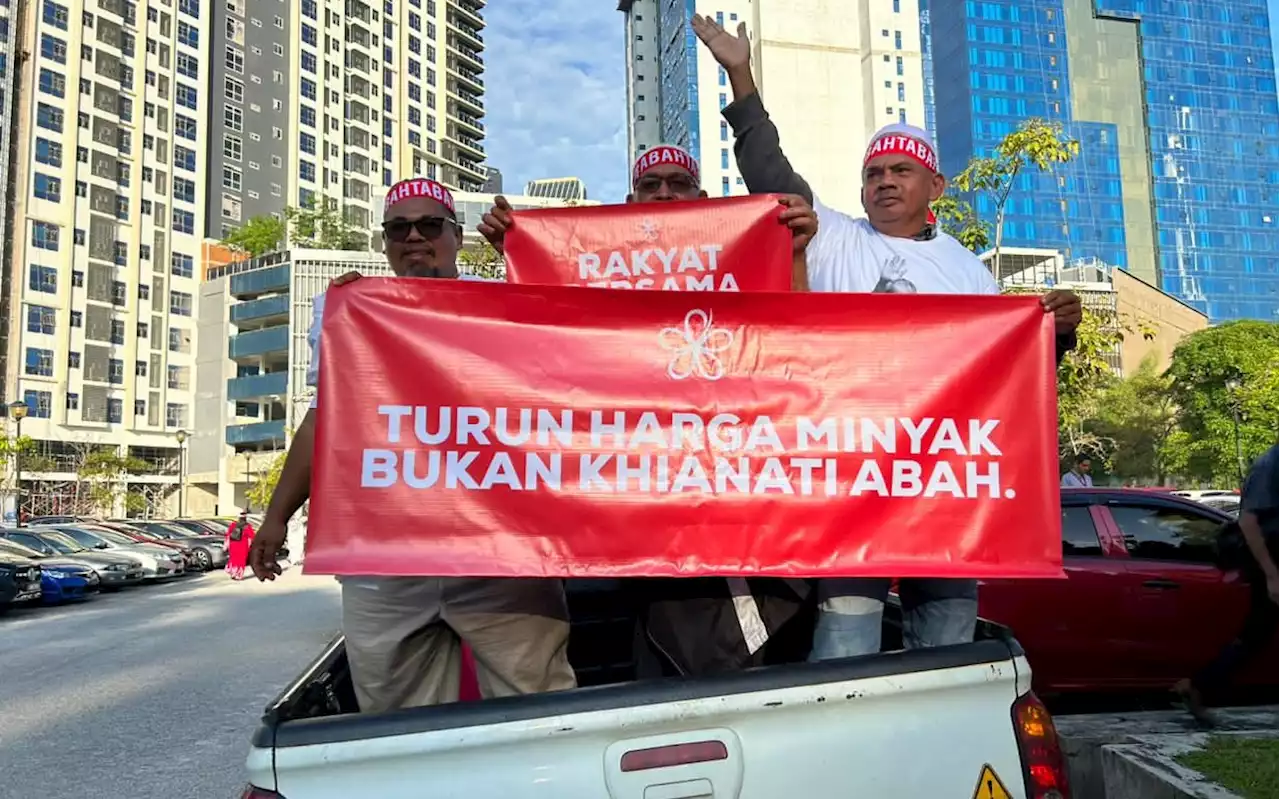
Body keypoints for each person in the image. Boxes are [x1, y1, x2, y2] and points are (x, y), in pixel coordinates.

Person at [692, 14, 1084, 661]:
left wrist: (1056, 336)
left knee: (947, 649)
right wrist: (740, 74)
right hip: (857, 488)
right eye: (875, 172)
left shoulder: (969, 273)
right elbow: (771, 172)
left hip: (945, 494)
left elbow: (1014, 383)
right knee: (844, 645)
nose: (885, 181)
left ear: (936, 186)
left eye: (902, 171)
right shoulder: (836, 239)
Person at [479, 147, 821, 676]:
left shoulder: (746, 264)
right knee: (665, 682)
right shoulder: (595, 280)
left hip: (729, 512)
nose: (665, 194)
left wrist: (792, 253)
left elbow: (793, 350)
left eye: (679, 183)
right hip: (640, 520)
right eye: (652, 185)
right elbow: (541, 355)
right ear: (629, 203)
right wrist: (519, 253)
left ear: (703, 200)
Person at [249, 177, 578, 713]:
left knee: (539, 708)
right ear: (384, 241)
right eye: (399, 228)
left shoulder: (503, 299)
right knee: (397, 723)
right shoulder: (351, 310)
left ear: (457, 234)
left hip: (497, 551)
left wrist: (527, 259)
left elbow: (577, 352)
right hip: (387, 558)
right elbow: (325, 418)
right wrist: (276, 516)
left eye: (430, 225)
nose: (415, 237)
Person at [1175, 444, 1280, 724]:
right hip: (1271, 557)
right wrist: (1271, 573)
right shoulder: (1269, 466)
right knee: (1255, 634)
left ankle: (1198, 685)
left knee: (1256, 633)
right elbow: (1248, 522)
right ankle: (1199, 685)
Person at [225, 511, 254, 581]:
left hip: (233, 545)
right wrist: (250, 546)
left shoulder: (233, 524)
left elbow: (228, 535)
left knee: (233, 559)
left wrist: (226, 544)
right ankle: (238, 575)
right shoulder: (247, 526)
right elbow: (251, 537)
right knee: (241, 561)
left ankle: (232, 572)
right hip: (243, 546)